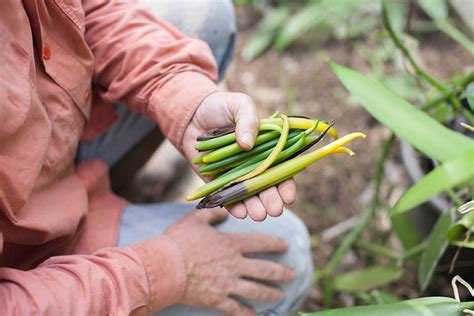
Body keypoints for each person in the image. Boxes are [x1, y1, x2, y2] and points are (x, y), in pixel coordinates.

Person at [0, 0, 313, 315]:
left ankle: (114, 191)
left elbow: (91, 10)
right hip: (33, 271)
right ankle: (107, 241)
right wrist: (167, 270)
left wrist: (182, 98)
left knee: (204, 14)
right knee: (287, 255)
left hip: (52, 159)